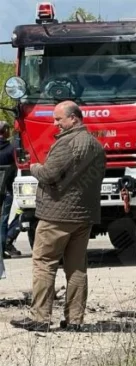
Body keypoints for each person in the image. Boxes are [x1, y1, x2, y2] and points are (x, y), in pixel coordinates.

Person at [11, 101, 105, 332]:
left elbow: (49, 174)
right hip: (84, 216)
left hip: (56, 214)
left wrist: (33, 167)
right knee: (76, 267)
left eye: (59, 119)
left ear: (73, 118)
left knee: (44, 263)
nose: (55, 124)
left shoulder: (67, 144)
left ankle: (40, 318)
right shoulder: (96, 145)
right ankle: (75, 320)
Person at [0, 121, 20, 258]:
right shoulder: (12, 148)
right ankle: (2, 250)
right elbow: (18, 164)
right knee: (3, 219)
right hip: (6, 190)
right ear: (5, 131)